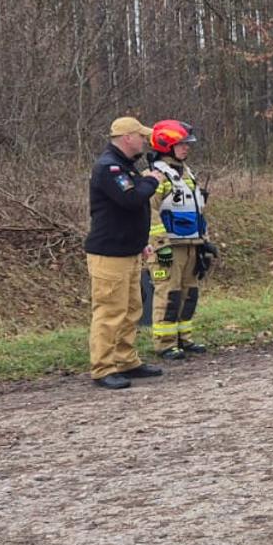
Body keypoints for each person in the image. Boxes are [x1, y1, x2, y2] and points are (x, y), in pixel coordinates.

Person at [86, 116, 167, 390]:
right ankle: (103, 367)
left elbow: (132, 210)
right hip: (109, 253)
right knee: (110, 312)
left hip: (129, 250)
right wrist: (152, 180)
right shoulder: (109, 168)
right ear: (127, 138)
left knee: (132, 309)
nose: (144, 141)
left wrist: (141, 241)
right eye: (141, 136)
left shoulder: (126, 167)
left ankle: (126, 359)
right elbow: (130, 199)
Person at [146, 120, 213, 360]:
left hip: (191, 245)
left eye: (187, 144)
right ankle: (164, 343)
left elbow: (198, 210)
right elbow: (150, 212)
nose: (186, 148)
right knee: (169, 294)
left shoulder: (187, 174)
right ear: (166, 145)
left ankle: (184, 338)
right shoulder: (156, 176)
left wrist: (205, 242)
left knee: (189, 294)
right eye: (181, 144)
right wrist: (160, 246)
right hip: (169, 248)